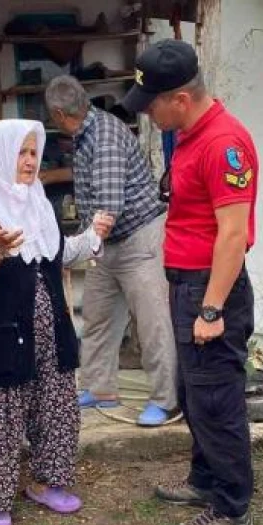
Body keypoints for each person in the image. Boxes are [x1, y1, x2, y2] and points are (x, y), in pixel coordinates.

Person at [121, 40, 259, 525]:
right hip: (188, 283)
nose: (148, 114)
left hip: (211, 288)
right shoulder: (188, 136)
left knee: (217, 399)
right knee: (193, 394)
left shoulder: (224, 143)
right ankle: (205, 480)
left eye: (152, 104)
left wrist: (211, 307)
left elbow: (233, 234)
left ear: (179, 98)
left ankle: (231, 506)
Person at [0, 119, 113, 525]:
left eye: (33, 153)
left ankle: (48, 482)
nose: (29, 161)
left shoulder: (38, 203)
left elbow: (57, 254)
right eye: (21, 153)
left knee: (56, 405)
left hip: (49, 332)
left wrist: (92, 236)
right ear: (0, 154)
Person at [44, 76, 176, 426]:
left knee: (153, 324)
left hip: (138, 239)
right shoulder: (85, 134)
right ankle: (99, 388)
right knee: (99, 317)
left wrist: (74, 247)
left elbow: (109, 208)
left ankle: (166, 400)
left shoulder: (103, 136)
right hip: (108, 244)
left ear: (58, 114)